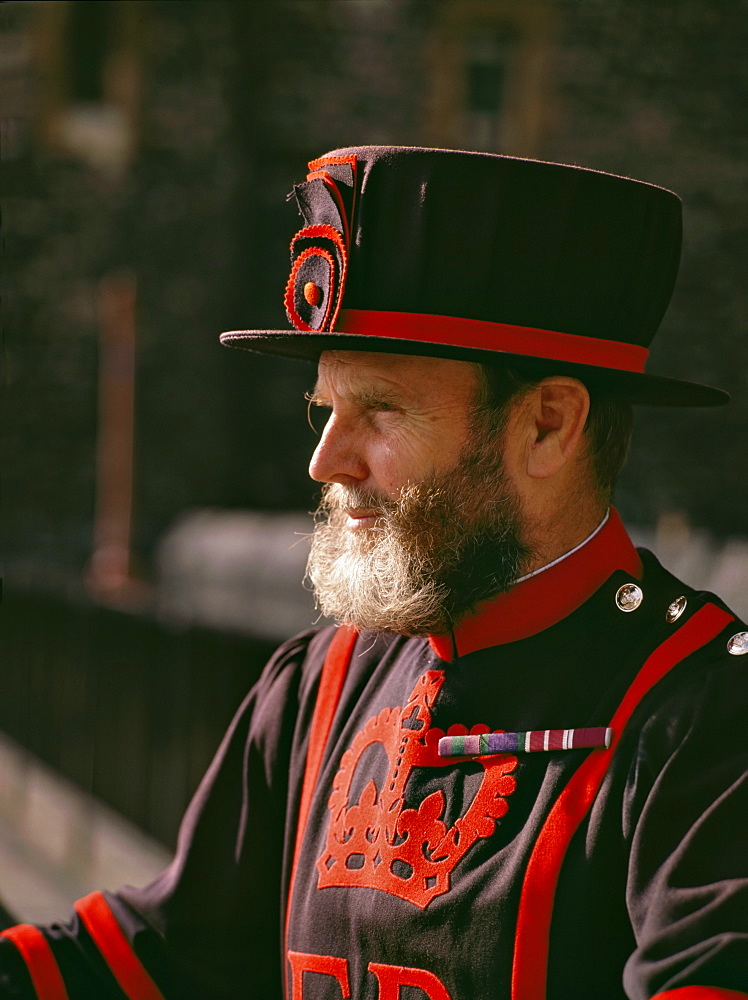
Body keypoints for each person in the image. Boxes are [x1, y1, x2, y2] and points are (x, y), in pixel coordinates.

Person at [1, 147, 746, 1000]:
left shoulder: (710, 719)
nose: (325, 461)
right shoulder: (322, 680)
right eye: (326, 409)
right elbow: (168, 956)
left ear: (546, 424)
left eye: (381, 408)